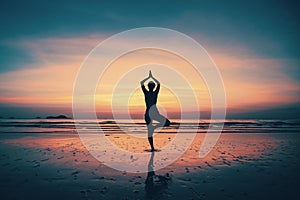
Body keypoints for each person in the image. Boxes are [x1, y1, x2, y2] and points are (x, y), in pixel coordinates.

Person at [140, 70, 170, 151]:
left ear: (152, 86)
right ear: (150, 86)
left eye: (151, 85)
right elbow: (142, 83)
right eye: (151, 85)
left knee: (167, 123)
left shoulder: (154, 92)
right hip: (150, 113)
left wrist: (150, 77)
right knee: (150, 132)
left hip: (153, 112)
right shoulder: (147, 93)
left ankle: (154, 128)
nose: (151, 86)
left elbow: (157, 84)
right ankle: (152, 148)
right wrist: (150, 77)